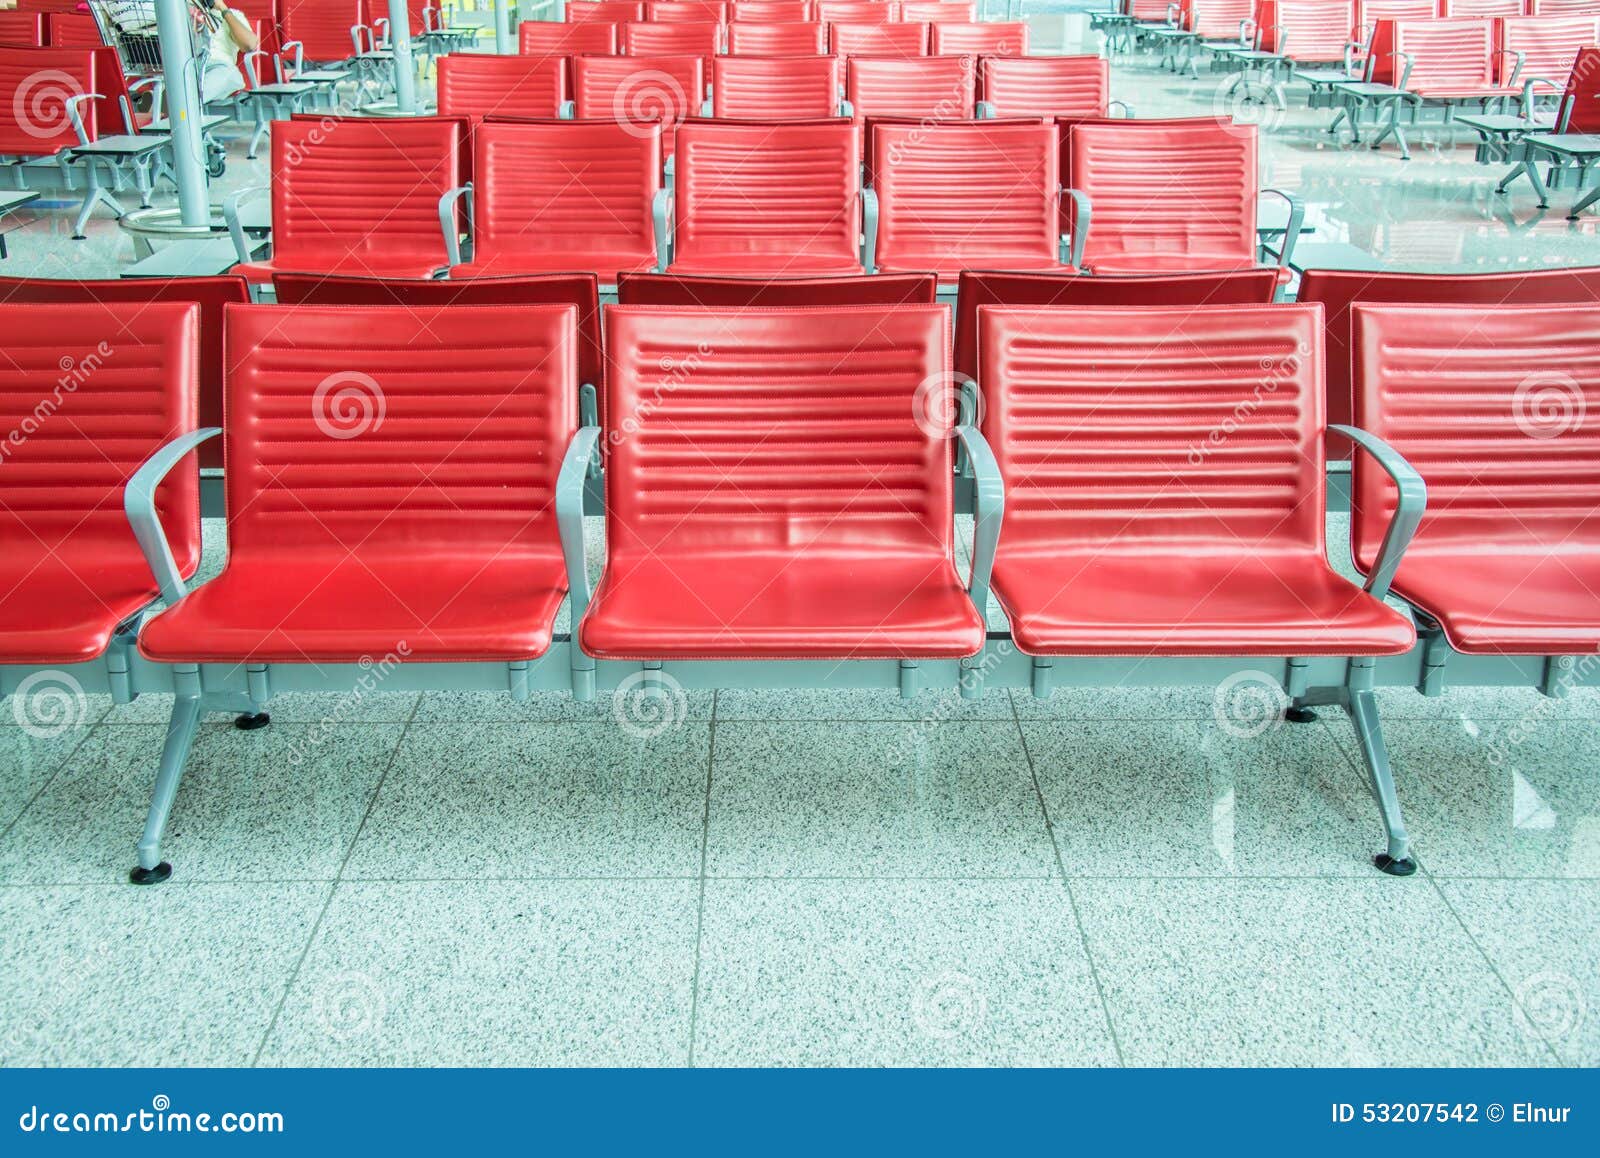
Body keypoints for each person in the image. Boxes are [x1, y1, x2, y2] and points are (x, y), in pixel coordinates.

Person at [195, 0, 258, 103]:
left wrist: (223, 9)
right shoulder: (187, 13)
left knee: (230, 75)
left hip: (219, 67)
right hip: (191, 65)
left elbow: (249, 44)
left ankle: (185, 103)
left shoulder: (233, 15)